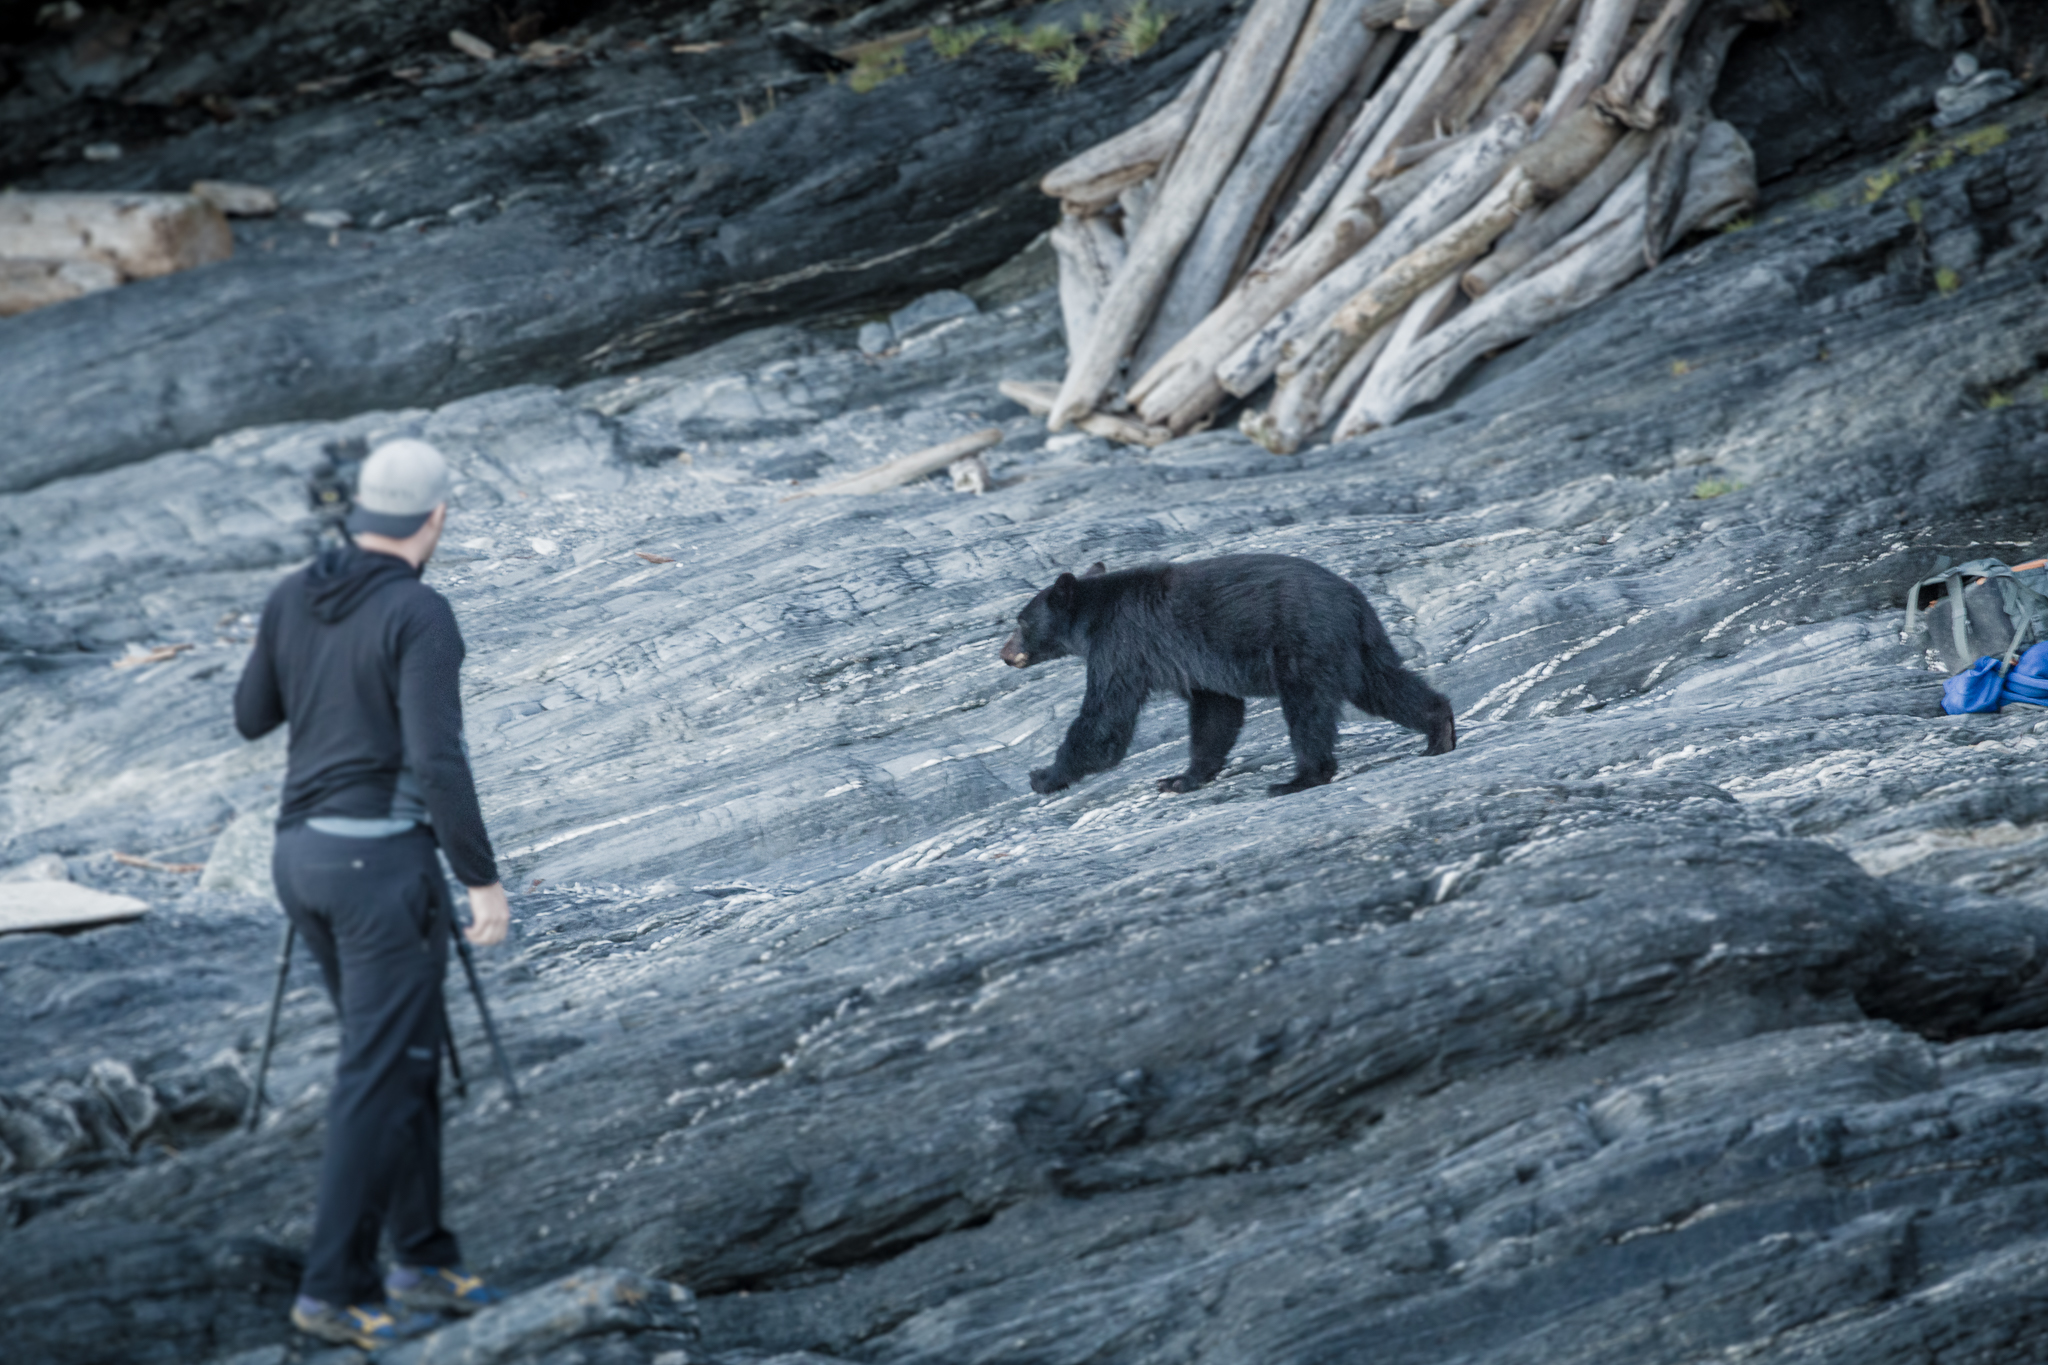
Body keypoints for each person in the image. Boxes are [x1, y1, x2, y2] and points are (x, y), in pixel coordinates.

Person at [233, 437, 513, 1350]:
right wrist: (483, 879)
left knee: (404, 1056)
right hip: (380, 869)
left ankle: (423, 1256)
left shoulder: (293, 592)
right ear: (434, 519)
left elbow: (252, 714)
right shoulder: (420, 613)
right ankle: (331, 1288)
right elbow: (438, 759)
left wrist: (307, 644)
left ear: (359, 512)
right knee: (376, 1072)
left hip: (301, 861)